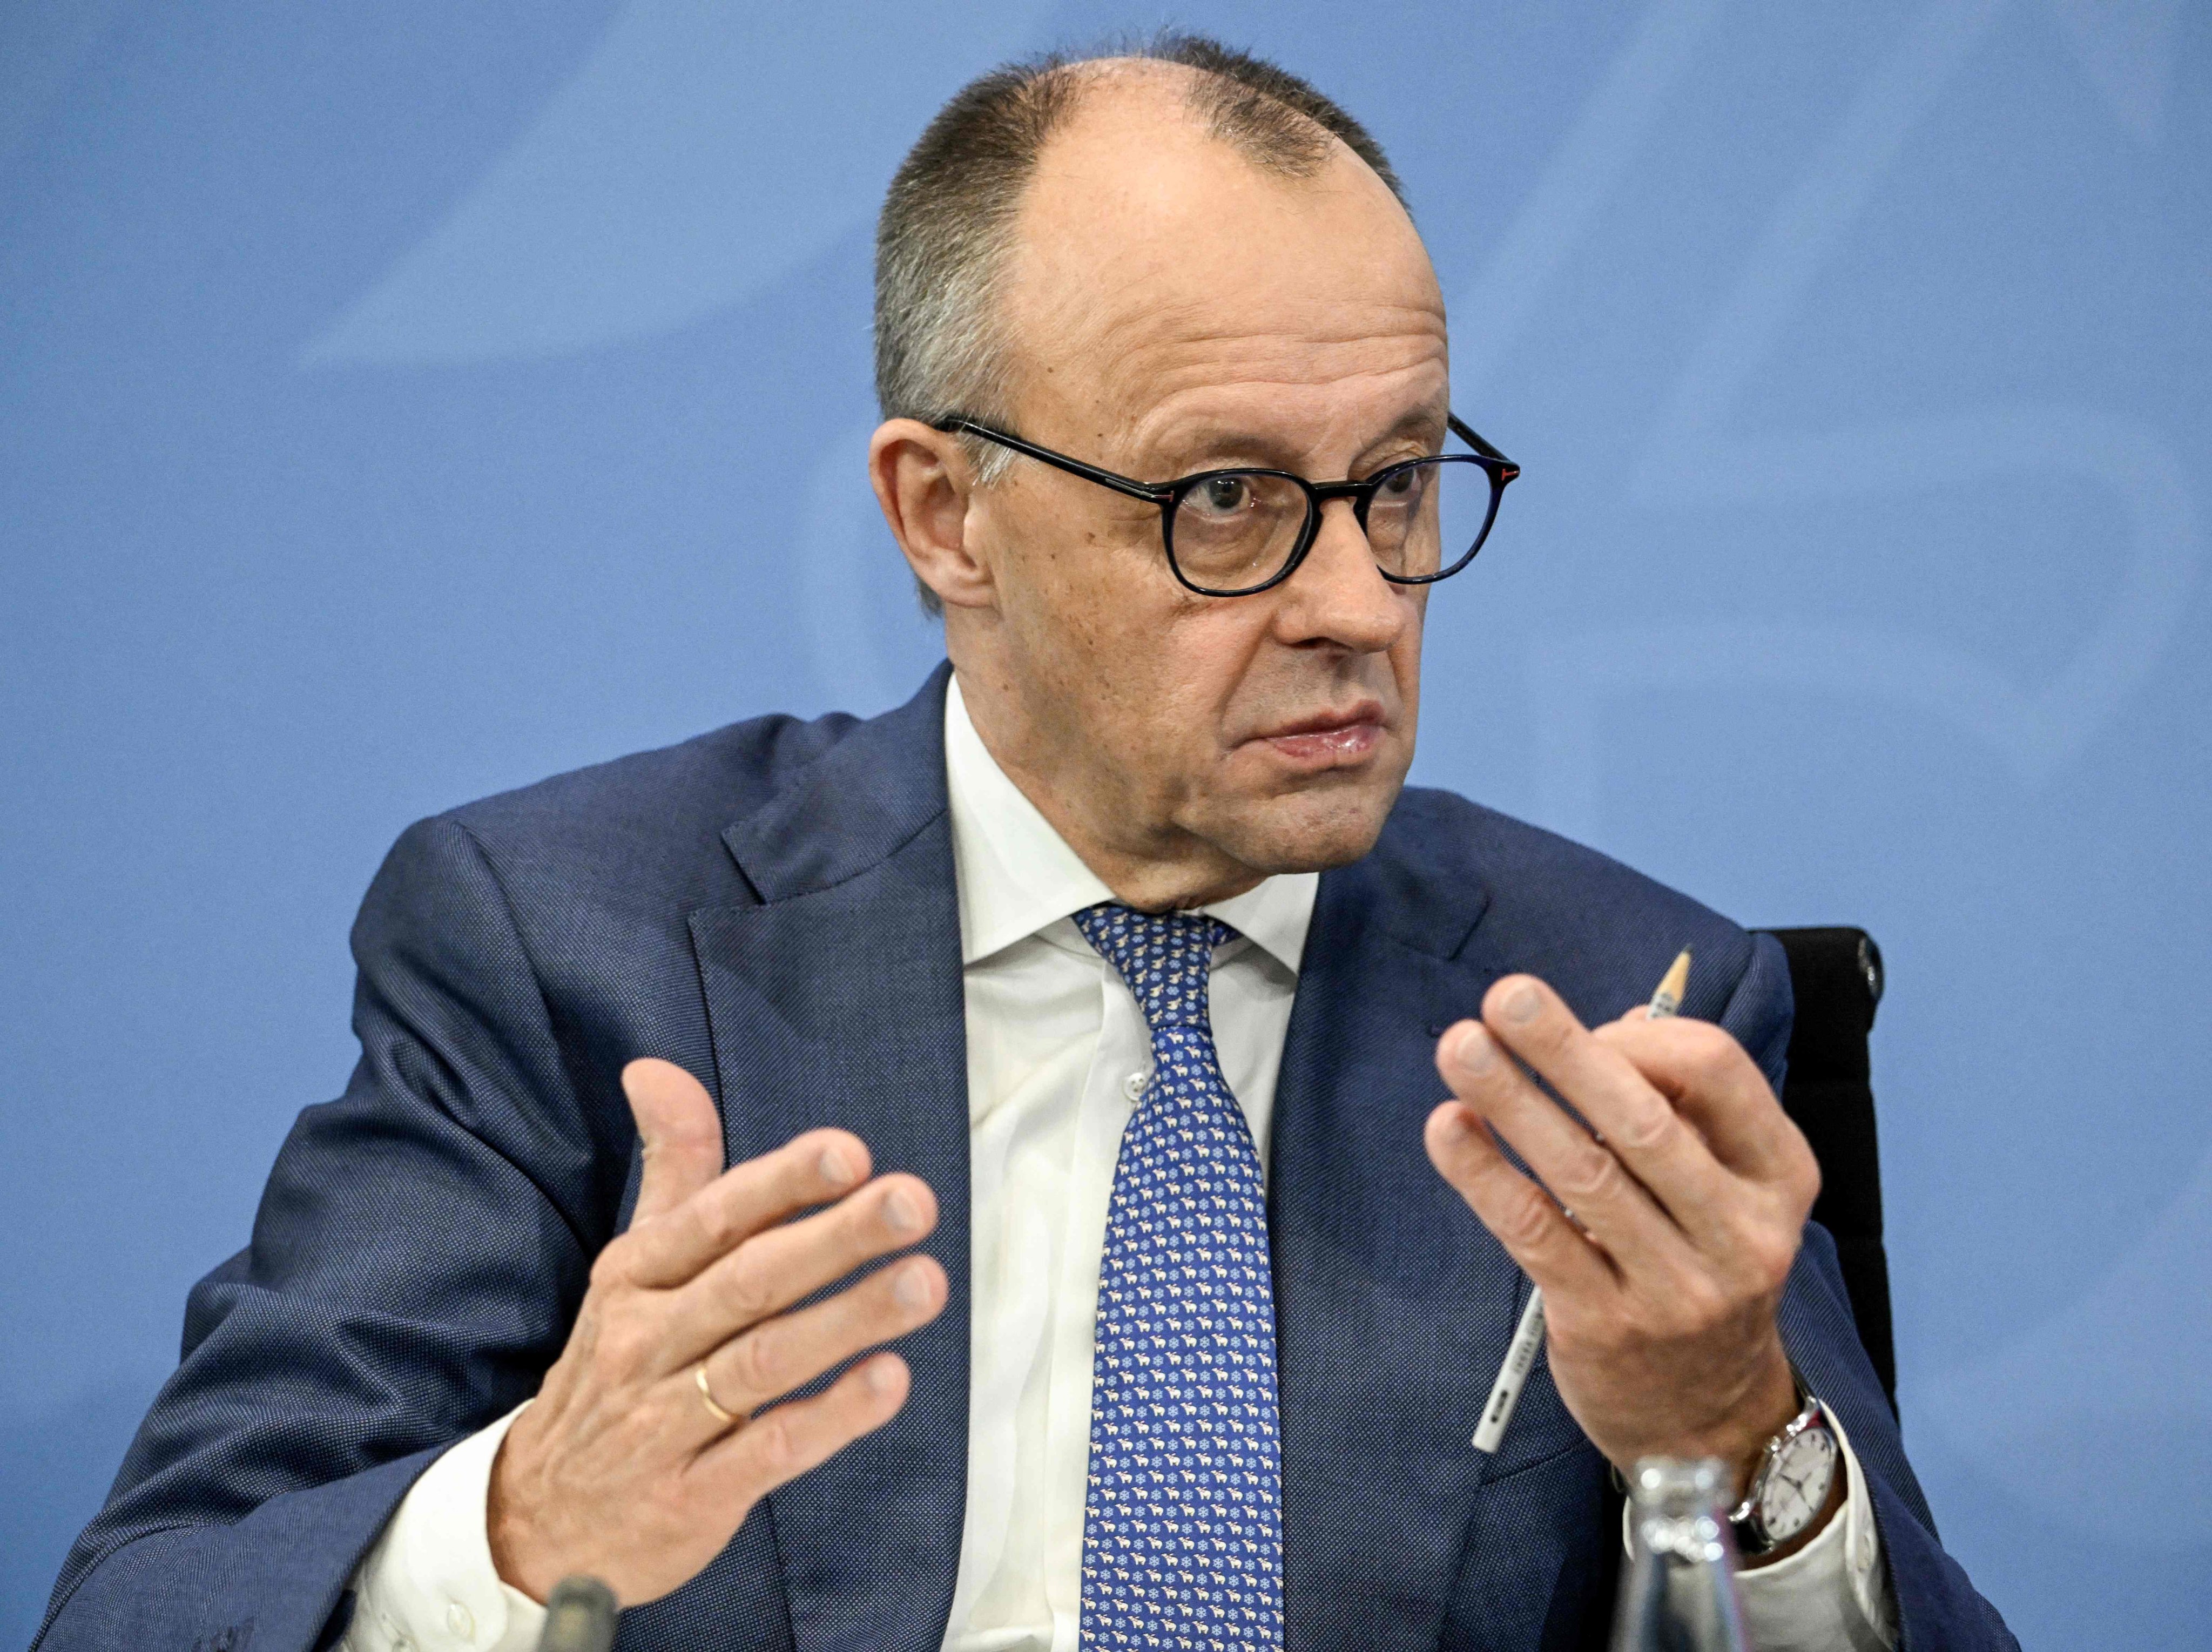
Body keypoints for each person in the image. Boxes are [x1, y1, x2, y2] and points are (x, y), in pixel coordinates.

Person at [36, 36, 2015, 1652]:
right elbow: (143, 1609)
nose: (1361, 600)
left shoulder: (1624, 998)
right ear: (944, 515)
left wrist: (1736, 1441)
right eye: (1231, 498)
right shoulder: (573, 944)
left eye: (1401, 483)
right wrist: (526, 1514)